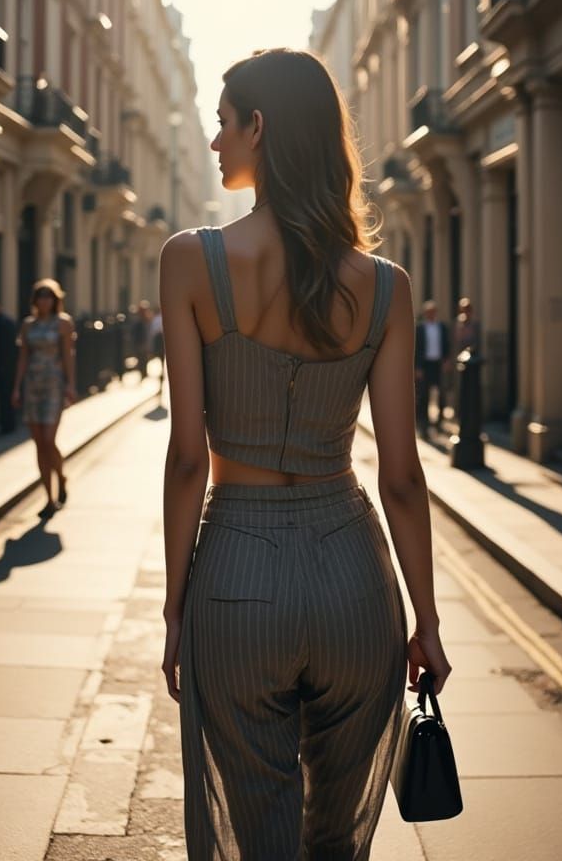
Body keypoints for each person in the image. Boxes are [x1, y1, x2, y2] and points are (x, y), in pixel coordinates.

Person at [159, 48, 450, 859]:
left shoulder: (190, 261)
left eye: (224, 123)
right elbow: (401, 473)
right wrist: (424, 620)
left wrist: (177, 606)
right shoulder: (385, 286)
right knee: (334, 838)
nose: (216, 142)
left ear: (259, 127)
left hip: (237, 578)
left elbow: (188, 459)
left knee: (262, 831)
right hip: (355, 578)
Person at [11, 279, 77, 520]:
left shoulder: (63, 323)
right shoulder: (28, 325)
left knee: (49, 440)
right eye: (41, 296)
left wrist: (70, 385)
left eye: (49, 296)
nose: (45, 300)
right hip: (32, 386)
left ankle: (60, 476)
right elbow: (22, 358)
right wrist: (17, 388)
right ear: (35, 300)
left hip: (54, 385)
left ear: (56, 299)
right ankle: (49, 498)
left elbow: (69, 355)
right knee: (39, 443)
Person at [415, 300, 452, 434]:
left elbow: (446, 344)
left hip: (438, 364)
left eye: (433, 312)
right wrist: (417, 367)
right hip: (425, 365)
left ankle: (439, 422)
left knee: (441, 394)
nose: (431, 314)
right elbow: (416, 349)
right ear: (425, 313)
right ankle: (424, 423)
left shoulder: (442, 327)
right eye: (428, 312)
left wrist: (446, 360)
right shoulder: (420, 328)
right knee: (424, 394)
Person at [0, 302, 18, 433]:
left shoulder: (4, 324)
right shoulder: (1, 323)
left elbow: (8, 348)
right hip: (5, 367)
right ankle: (7, 423)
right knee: (5, 397)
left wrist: (4, 366)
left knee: (6, 397)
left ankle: (8, 424)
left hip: (5, 367)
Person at [148, 306, 164, 401]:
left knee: (160, 364)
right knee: (161, 364)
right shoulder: (161, 319)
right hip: (162, 343)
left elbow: (152, 333)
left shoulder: (155, 320)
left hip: (158, 343)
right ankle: (161, 382)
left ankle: (161, 382)